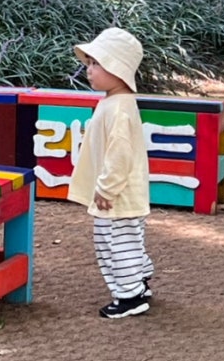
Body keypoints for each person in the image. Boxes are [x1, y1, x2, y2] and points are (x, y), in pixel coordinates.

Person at [67, 27, 154, 319]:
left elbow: (120, 154)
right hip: (121, 194)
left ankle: (130, 297)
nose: (88, 69)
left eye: (97, 63)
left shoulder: (119, 108)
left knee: (114, 244)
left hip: (116, 196)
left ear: (118, 68)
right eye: (89, 63)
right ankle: (139, 281)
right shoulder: (114, 102)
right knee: (128, 239)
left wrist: (106, 188)